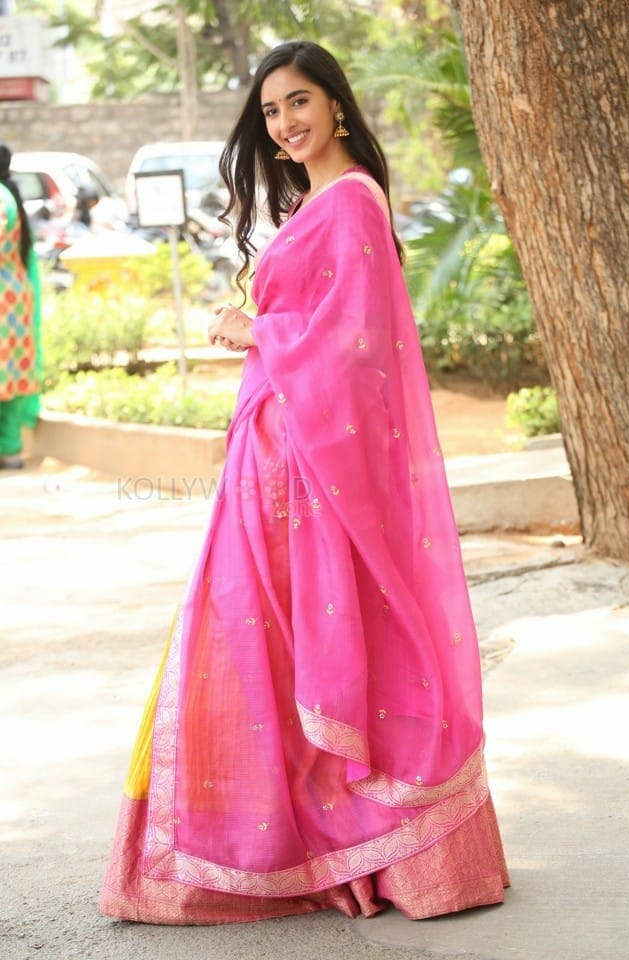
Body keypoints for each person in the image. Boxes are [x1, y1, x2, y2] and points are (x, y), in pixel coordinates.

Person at [100, 41, 509, 925]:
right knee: (268, 643)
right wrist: (260, 327)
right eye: (271, 111)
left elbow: (355, 339)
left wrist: (254, 329)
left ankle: (352, 851)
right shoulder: (317, 201)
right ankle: (315, 847)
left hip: (306, 464)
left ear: (336, 103)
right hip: (278, 452)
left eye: (299, 102)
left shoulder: (351, 200)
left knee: (289, 642)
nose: (286, 123)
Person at [0, 143, 41, 470]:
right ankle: (9, 448)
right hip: (14, 295)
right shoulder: (8, 194)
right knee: (10, 371)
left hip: (4, 297)